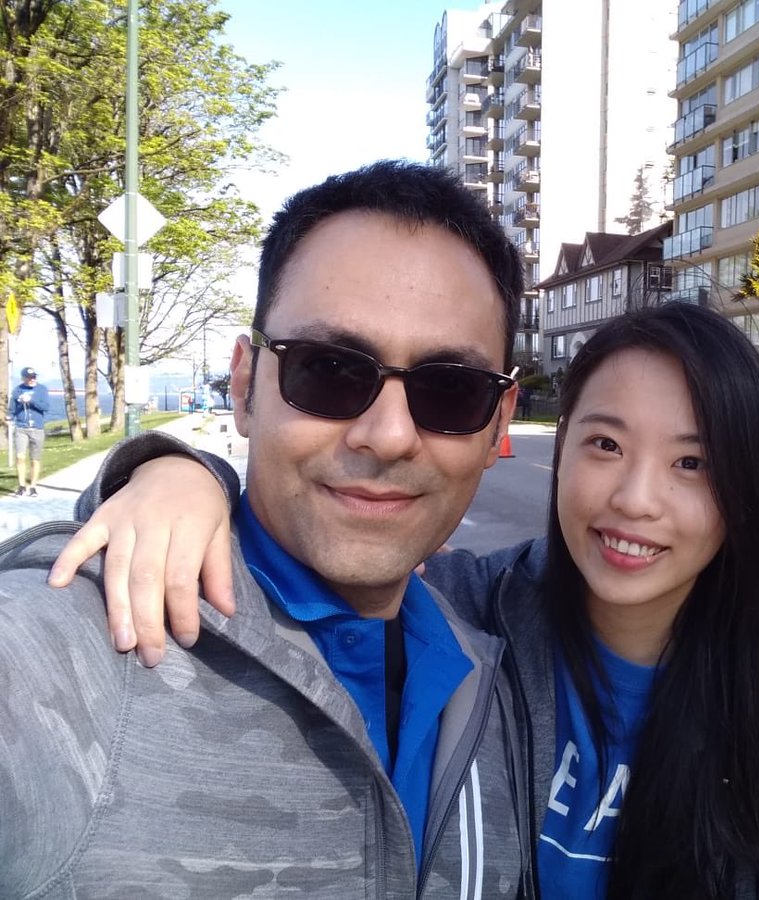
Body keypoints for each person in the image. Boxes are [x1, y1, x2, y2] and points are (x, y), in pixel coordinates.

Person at [52, 303, 759, 898]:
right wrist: (177, 474)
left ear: (747, 487)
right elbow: (305, 553)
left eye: (693, 464)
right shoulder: (473, 616)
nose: (636, 500)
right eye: (605, 445)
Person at [0, 161, 531, 897]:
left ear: (498, 423)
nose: (389, 436)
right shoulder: (80, 643)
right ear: (247, 387)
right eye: (330, 370)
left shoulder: (499, 664)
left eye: (451, 389)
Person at [9, 365, 50, 497]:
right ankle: (21, 486)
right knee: (20, 457)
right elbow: (12, 409)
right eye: (29, 377)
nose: (32, 379)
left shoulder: (42, 390)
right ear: (23, 378)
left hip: (37, 429)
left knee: (35, 459)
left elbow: (45, 407)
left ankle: (33, 487)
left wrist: (31, 401)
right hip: (21, 428)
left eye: (33, 377)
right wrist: (9, 417)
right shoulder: (18, 390)